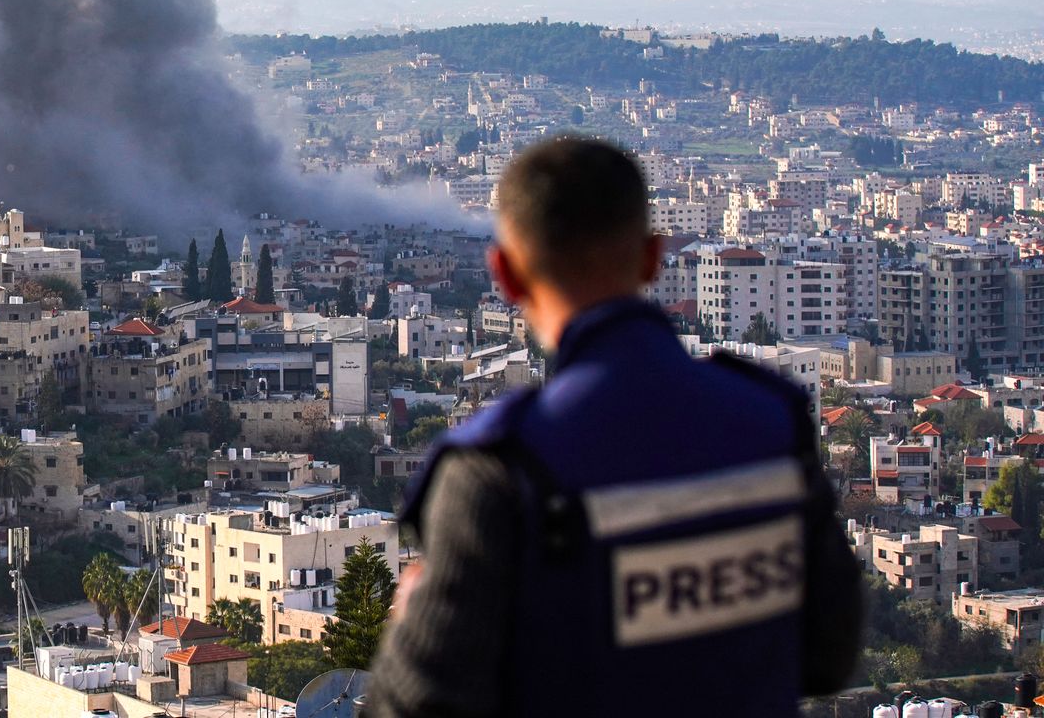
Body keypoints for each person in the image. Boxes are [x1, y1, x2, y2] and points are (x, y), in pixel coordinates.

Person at [365, 137, 861, 717]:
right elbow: (829, 653)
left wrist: (410, 625)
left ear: (505, 272)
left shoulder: (502, 468)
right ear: (652, 257)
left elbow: (416, 707)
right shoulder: (769, 421)